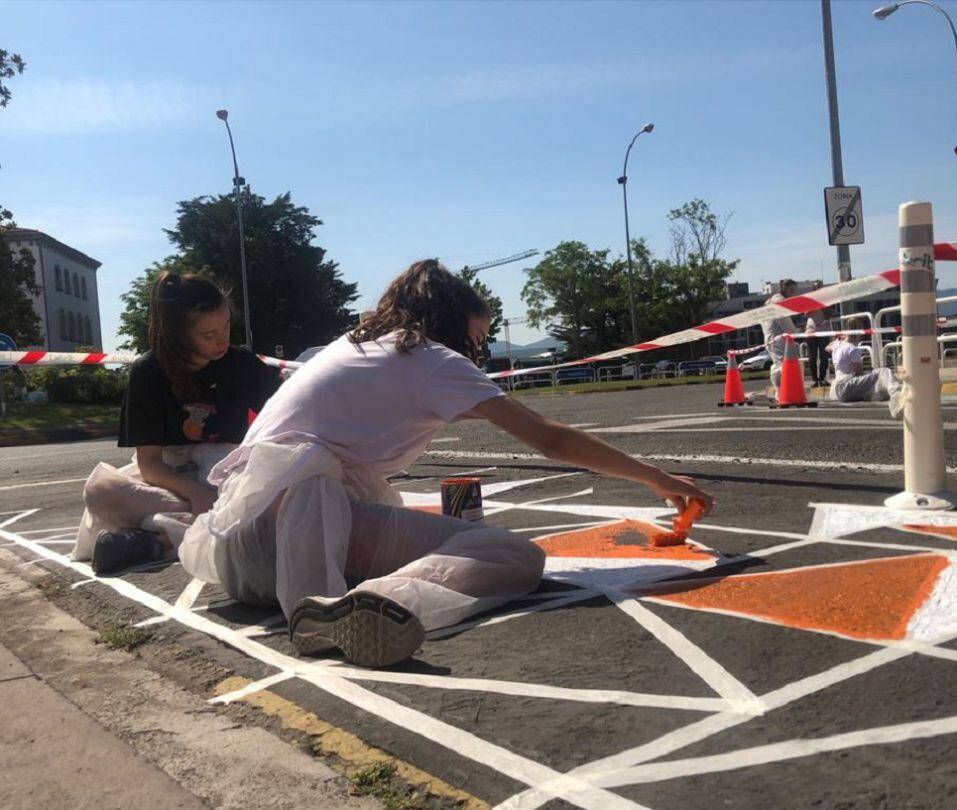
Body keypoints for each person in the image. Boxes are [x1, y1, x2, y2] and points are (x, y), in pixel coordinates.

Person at [179, 260, 713, 669]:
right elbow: (548, 438)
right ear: (453, 327)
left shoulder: (355, 344)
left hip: (243, 562)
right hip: (298, 540)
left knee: (431, 532)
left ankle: (336, 606)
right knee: (510, 554)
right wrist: (658, 479)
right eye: (477, 340)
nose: (477, 356)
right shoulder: (430, 357)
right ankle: (358, 608)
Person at [73, 272, 281, 575]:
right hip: (170, 480)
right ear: (177, 333)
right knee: (102, 491)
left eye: (226, 327)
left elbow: (285, 409)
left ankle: (161, 540)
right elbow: (151, 465)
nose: (223, 340)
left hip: (226, 472)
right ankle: (207, 529)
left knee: (270, 492)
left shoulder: (241, 364)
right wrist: (196, 494)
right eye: (209, 335)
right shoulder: (148, 373)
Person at [826, 318, 902, 411]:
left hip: (838, 388)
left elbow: (827, 348)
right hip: (847, 385)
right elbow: (859, 373)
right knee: (883, 371)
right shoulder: (852, 349)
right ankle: (897, 394)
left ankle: (874, 395)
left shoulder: (837, 345)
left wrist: (839, 340)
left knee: (872, 381)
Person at [763, 279, 798, 394]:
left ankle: (783, 391)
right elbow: (785, 323)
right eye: (791, 290)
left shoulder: (770, 301)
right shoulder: (779, 302)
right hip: (778, 339)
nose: (793, 294)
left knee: (779, 364)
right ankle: (783, 392)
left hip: (770, 337)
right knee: (782, 366)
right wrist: (796, 332)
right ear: (784, 289)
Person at [804, 282, 830, 389]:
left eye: (820, 287)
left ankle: (822, 378)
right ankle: (814, 379)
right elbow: (806, 312)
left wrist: (824, 305)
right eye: (817, 287)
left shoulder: (827, 299)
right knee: (812, 356)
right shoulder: (809, 299)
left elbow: (829, 314)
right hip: (811, 330)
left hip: (823, 329)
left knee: (824, 355)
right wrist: (815, 305)